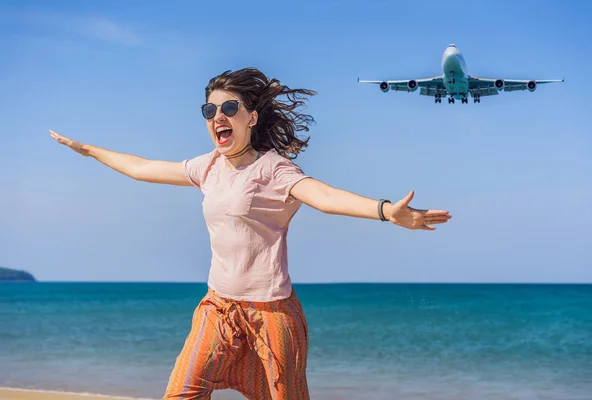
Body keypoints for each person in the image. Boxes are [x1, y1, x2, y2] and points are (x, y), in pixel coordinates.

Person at [49, 67, 451, 400]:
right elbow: (143, 168)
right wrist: (89, 150)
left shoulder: (274, 169)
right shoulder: (207, 167)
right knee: (181, 393)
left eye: (229, 107)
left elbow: (324, 196)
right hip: (218, 308)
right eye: (210, 110)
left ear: (251, 117)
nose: (218, 117)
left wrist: (385, 211)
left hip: (271, 312)